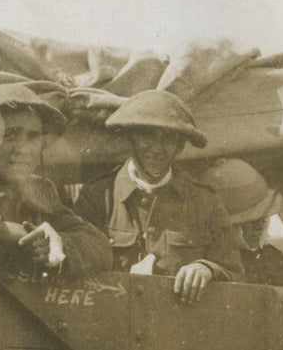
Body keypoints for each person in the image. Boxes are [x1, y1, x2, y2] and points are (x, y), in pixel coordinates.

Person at [77, 89, 243, 301]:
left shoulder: (205, 202)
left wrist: (208, 269)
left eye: (168, 139)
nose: (157, 148)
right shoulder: (97, 196)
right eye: (147, 135)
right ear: (131, 138)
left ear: (181, 146)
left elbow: (236, 274)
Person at [0, 83, 111, 276]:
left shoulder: (40, 191)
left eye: (33, 137)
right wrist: (3, 233)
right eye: (10, 135)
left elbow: (98, 245)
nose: (22, 148)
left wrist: (58, 242)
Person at [200, 158, 283, 287]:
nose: (260, 227)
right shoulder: (209, 263)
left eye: (263, 219)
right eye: (250, 222)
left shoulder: (273, 258)